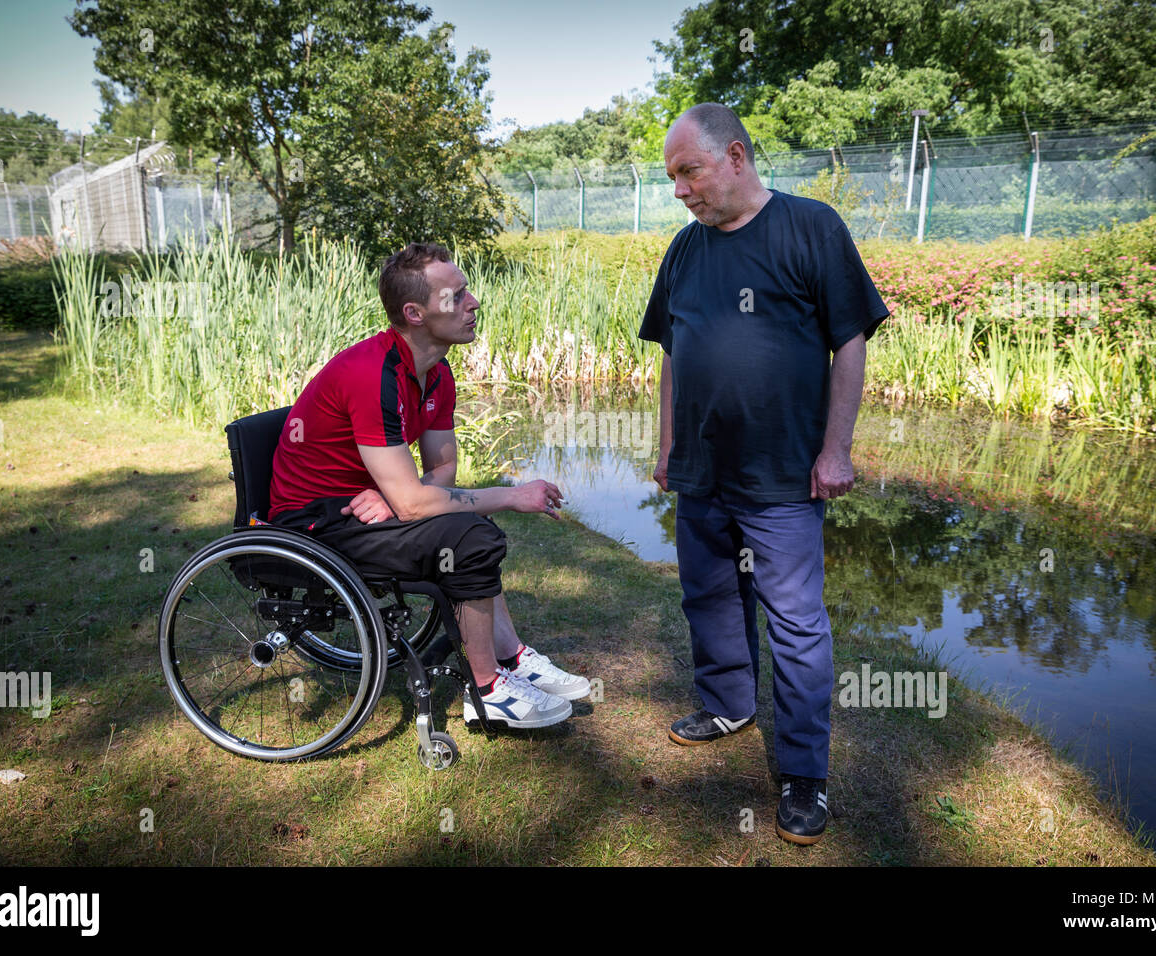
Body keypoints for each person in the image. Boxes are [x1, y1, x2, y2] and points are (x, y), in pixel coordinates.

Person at [638, 103, 890, 844]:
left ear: (737, 158)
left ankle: (805, 774)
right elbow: (673, 357)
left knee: (797, 623)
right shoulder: (684, 250)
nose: (681, 189)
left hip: (783, 474)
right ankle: (727, 704)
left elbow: (850, 344)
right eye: (672, 177)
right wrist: (667, 445)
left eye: (691, 171)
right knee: (710, 595)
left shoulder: (812, 228)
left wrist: (835, 451)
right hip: (702, 470)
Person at [269, 242, 590, 728]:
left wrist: (395, 494)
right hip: (313, 520)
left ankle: (510, 656)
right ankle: (487, 694)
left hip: (363, 503)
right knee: (471, 536)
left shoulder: (436, 373)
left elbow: (442, 474)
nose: (473, 303)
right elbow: (419, 501)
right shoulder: (371, 373)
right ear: (415, 313)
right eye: (456, 296)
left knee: (462, 517)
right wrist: (511, 495)